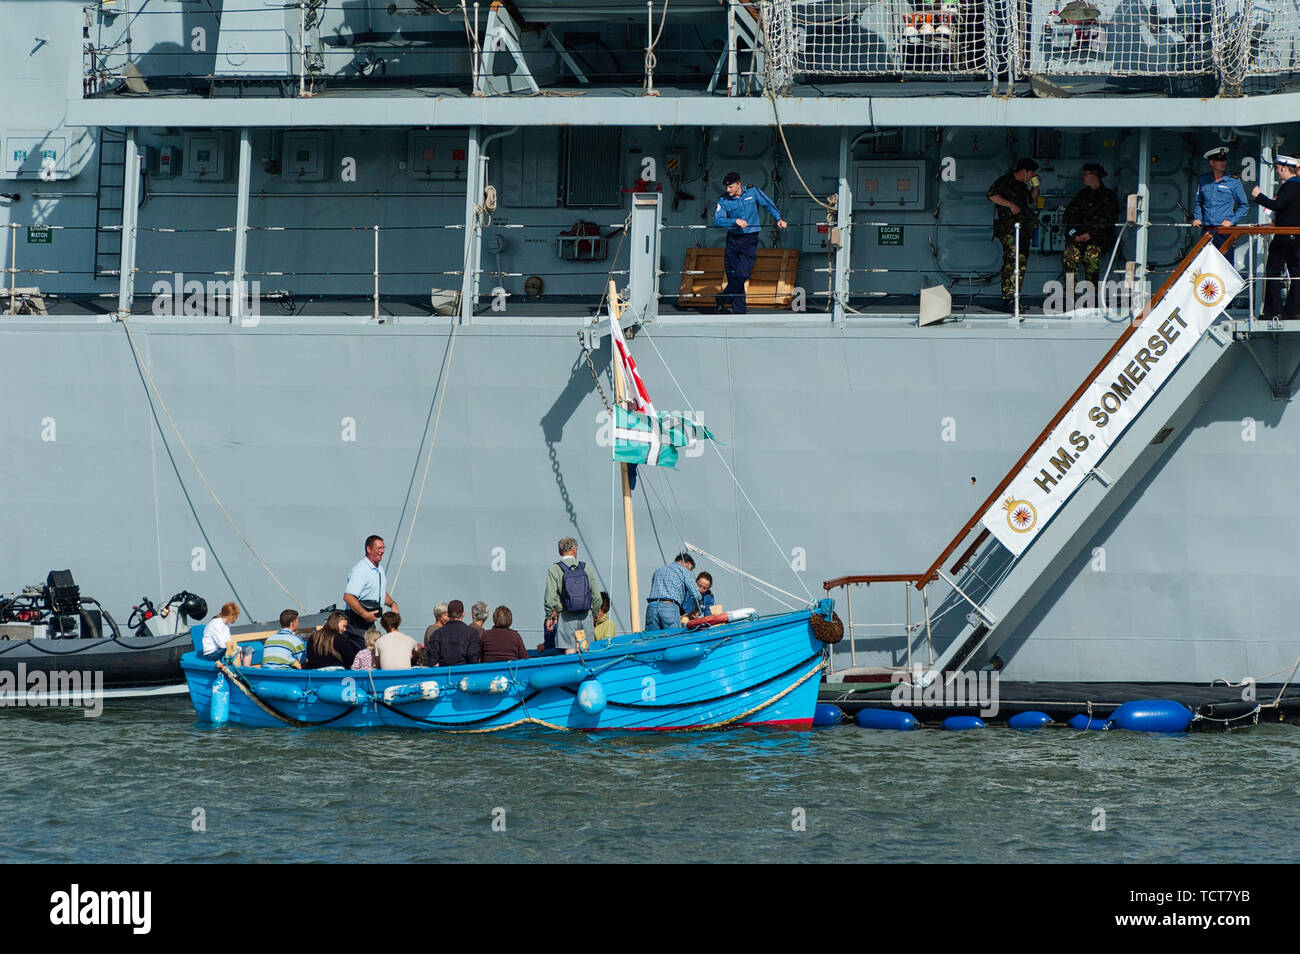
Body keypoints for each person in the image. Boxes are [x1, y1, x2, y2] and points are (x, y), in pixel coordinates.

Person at [713, 171, 787, 315]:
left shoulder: (753, 192)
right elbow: (718, 220)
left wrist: (778, 218)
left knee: (743, 274)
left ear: (739, 184)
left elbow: (768, 205)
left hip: (750, 239)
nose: (728, 190)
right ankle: (739, 312)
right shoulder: (724, 200)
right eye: (726, 188)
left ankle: (722, 297)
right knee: (733, 275)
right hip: (733, 239)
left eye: (731, 187)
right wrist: (735, 221)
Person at [1251, 154, 1300, 320]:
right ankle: (1293, 309)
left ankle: (1275, 310)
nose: (1277, 172)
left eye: (1278, 169)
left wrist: (1259, 196)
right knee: (1295, 272)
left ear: (1285, 168)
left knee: (1273, 270)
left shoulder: (1290, 186)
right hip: (1295, 236)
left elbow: (1277, 205)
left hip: (1285, 236)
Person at [986, 158, 1040, 309]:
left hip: (1022, 230)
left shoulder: (1022, 186)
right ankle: (1008, 297)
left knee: (1021, 263)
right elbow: (991, 195)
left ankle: (1016, 297)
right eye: (1031, 173)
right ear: (1024, 171)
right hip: (1009, 229)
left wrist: (1035, 186)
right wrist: (1010, 205)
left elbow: (1030, 200)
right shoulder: (1005, 181)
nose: (1032, 176)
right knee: (1011, 261)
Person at [342, 535, 399, 669]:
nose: (382, 551)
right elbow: (348, 596)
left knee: (373, 655)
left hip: (369, 620)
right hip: (357, 621)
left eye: (383, 548)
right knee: (366, 654)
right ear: (368, 549)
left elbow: (379, 592)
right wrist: (364, 614)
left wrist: (392, 603)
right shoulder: (361, 569)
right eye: (379, 548)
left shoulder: (379, 569)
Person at [1061, 163, 1119, 287]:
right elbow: (1068, 216)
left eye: (1085, 175)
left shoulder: (1109, 196)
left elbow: (1109, 220)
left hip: (1100, 239)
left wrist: (1090, 234)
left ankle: (1091, 294)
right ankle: (1070, 293)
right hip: (1079, 237)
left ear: (1094, 176)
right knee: (1069, 255)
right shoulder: (1081, 195)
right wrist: (1075, 234)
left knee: (1090, 256)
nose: (1083, 177)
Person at [544, 537, 602, 653]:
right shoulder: (586, 568)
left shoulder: (554, 569)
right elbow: (597, 597)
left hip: (566, 617)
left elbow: (550, 598)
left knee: (569, 654)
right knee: (587, 652)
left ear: (560, 552)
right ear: (574, 550)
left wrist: (549, 616)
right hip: (586, 616)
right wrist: (593, 614)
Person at [1193, 146, 1248, 243]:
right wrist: (1198, 218)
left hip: (1225, 231)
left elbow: (1244, 206)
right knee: (1206, 258)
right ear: (1211, 162)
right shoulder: (1203, 180)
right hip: (1207, 230)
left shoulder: (1233, 181)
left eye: (1224, 160)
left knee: (1225, 258)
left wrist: (1231, 221)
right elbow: (1199, 202)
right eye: (1219, 160)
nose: (1223, 163)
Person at [645, 552, 702, 631]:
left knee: (651, 639)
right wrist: (696, 609)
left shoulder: (659, 570)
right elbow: (696, 594)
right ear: (684, 563)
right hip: (669, 608)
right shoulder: (683, 570)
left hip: (651, 607)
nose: (690, 571)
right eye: (690, 568)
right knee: (673, 637)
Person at [425, 599, 482, 666]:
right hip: (464, 674)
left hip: (443, 674)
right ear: (463, 614)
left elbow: (432, 661)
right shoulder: (472, 633)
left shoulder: (436, 634)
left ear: (448, 614)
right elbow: (473, 661)